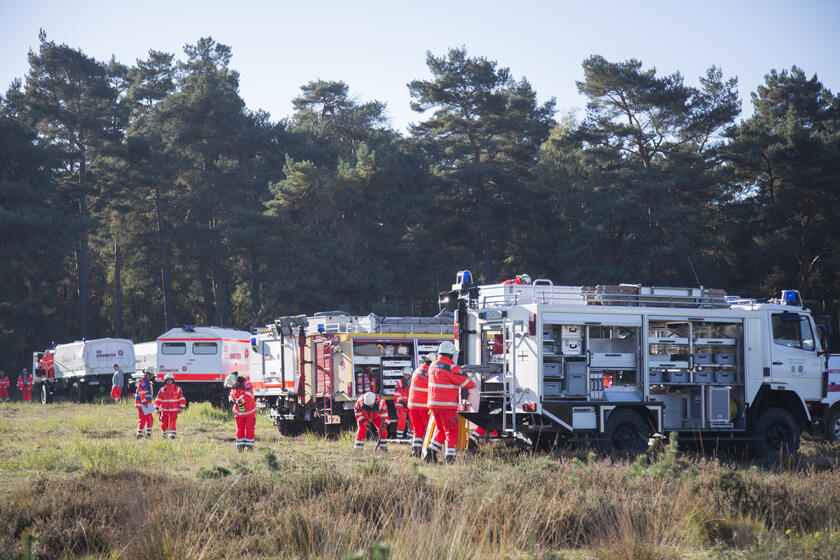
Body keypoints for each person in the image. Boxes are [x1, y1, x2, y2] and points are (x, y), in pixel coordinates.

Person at [426, 341, 475, 464]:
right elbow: (465, 383)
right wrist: (472, 380)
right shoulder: (451, 367)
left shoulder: (433, 365)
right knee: (451, 431)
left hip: (433, 405)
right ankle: (450, 459)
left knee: (441, 430)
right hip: (447, 406)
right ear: (451, 355)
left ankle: (430, 454)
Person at [408, 352, 435, 457]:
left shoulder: (417, 370)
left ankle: (416, 452)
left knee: (417, 429)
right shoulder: (430, 373)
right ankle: (429, 452)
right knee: (428, 429)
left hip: (412, 405)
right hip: (423, 406)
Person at [225, 373, 257, 451]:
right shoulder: (234, 385)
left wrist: (239, 400)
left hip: (249, 411)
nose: (232, 387)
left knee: (249, 428)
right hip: (239, 412)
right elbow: (232, 393)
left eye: (232, 386)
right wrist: (231, 398)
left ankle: (250, 447)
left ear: (236, 382)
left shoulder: (246, 384)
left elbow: (248, 395)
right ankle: (240, 446)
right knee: (239, 429)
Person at [154, 373, 186, 439]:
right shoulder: (162, 389)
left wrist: (181, 407)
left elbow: (181, 399)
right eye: (167, 380)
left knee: (172, 422)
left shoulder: (178, 389)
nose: (169, 381)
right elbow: (158, 399)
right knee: (164, 423)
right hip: (164, 410)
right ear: (165, 381)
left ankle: (172, 435)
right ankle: (164, 434)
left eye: (170, 380)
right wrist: (156, 408)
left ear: (173, 380)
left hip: (174, 410)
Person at [135, 367, 155, 438]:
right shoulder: (143, 382)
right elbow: (142, 392)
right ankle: (148, 434)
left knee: (143, 418)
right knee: (149, 418)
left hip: (143, 403)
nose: (153, 376)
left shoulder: (145, 381)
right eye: (152, 374)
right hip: (144, 404)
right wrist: (144, 402)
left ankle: (139, 433)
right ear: (149, 374)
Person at [392, 366, 412, 439]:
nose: (405, 376)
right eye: (404, 374)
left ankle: (410, 437)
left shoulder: (412, 383)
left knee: (413, 420)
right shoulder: (399, 383)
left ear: (410, 375)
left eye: (407, 375)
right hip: (400, 405)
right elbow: (397, 394)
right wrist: (402, 402)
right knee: (402, 420)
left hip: (409, 405)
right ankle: (399, 438)